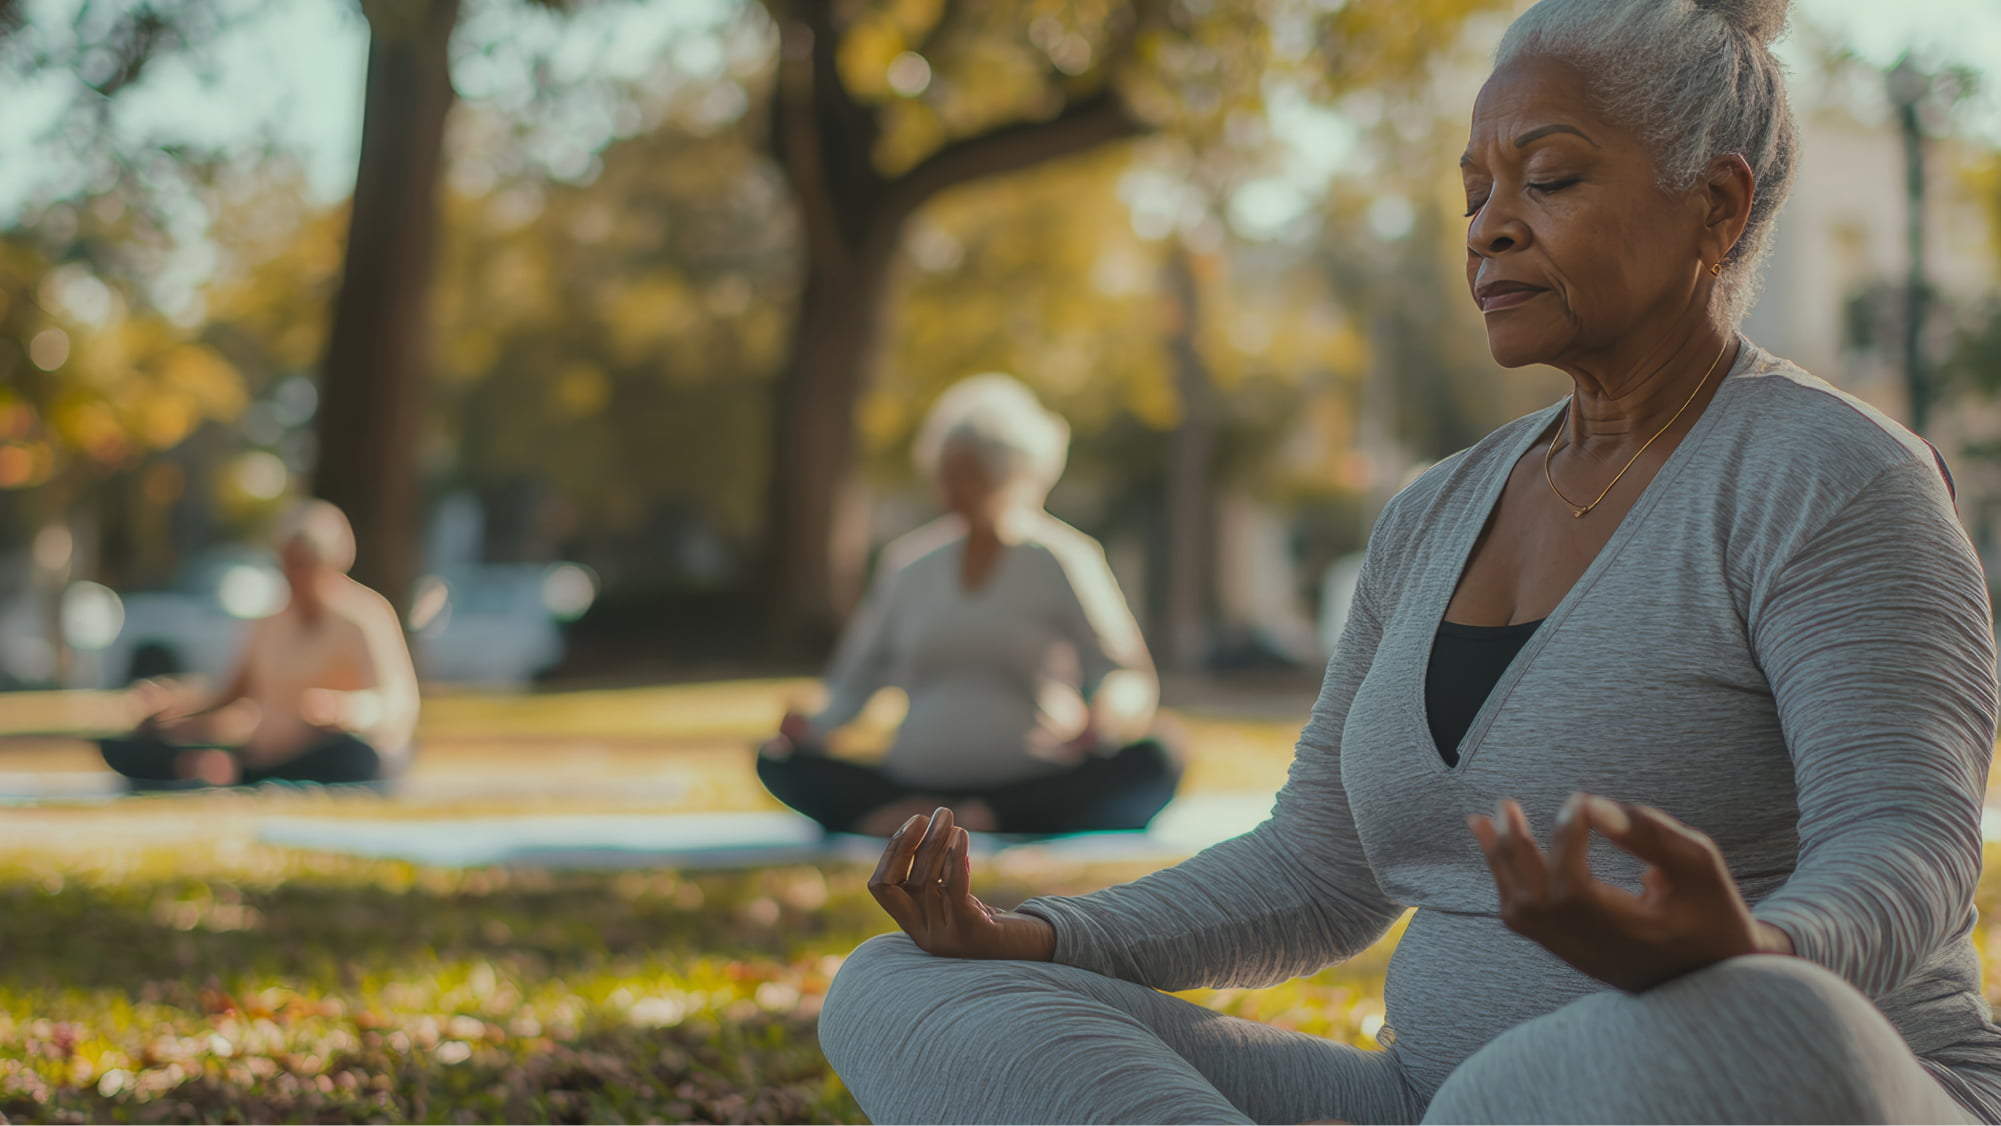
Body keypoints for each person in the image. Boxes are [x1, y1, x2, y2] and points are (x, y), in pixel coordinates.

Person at [815, 1, 2001, 1122]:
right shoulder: (1434, 511)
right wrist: (1033, 934)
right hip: (1438, 1098)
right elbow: (1317, 869)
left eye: (1550, 178)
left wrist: (1753, 951)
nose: (1490, 224)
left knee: (1766, 1022)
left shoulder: (1835, 478)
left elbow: (1908, 840)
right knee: (898, 987)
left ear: (1717, 206)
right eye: (1475, 191)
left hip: (1761, 1075)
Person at [757, 374, 1180, 838]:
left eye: (970, 475)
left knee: (1160, 758)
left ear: (1010, 475)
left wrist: (1107, 715)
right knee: (777, 760)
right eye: (947, 474)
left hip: (1032, 778)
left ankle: (954, 819)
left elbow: (1125, 674)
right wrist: (812, 724)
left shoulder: (1063, 558)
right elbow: (854, 682)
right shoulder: (908, 565)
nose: (953, 489)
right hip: (911, 777)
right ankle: (939, 815)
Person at [100, 500, 419, 790]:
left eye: (304, 563)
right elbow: (233, 694)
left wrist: (344, 710)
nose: (295, 575)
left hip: (331, 748)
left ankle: (228, 772)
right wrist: (174, 707)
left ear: (330, 562)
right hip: (266, 753)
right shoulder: (269, 622)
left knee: (355, 756)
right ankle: (227, 769)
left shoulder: (363, 616)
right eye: (289, 563)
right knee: (128, 748)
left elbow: (395, 701)